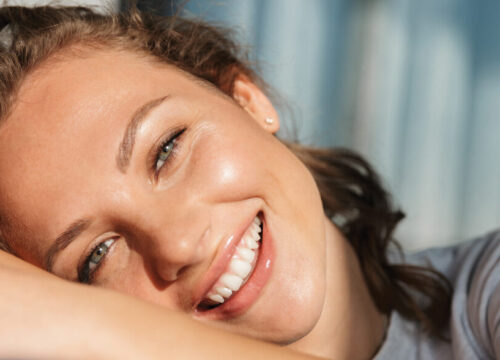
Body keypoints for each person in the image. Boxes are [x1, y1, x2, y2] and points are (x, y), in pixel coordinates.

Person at [0, 5, 498, 360]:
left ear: (246, 99)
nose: (176, 244)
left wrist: (72, 320)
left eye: (167, 149)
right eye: (96, 256)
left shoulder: (483, 295)